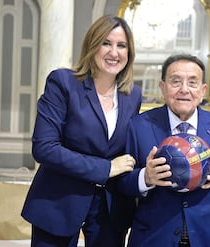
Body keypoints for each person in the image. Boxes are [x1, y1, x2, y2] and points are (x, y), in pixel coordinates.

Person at [21, 15, 141, 247]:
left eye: (121, 45)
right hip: (59, 201)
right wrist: (105, 168)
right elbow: (44, 148)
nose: (114, 52)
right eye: (106, 43)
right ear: (92, 45)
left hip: (109, 208)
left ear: (129, 53)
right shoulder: (63, 83)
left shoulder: (132, 95)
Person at [118, 54, 210, 247]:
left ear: (203, 90)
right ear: (163, 87)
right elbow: (122, 183)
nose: (184, 90)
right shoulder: (138, 127)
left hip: (209, 238)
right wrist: (146, 177)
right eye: (175, 81)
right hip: (153, 238)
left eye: (192, 82)